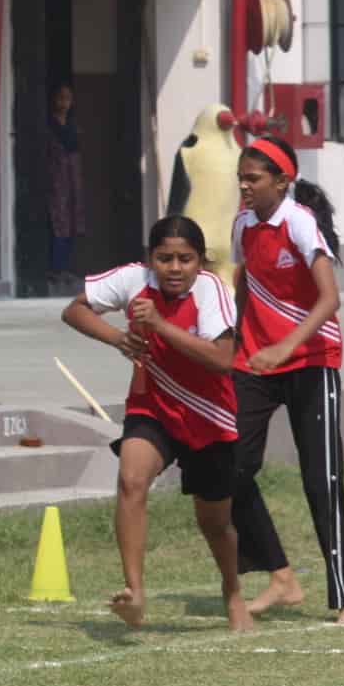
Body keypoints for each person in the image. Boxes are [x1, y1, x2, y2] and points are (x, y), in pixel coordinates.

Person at [62, 217, 251, 632]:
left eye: (185, 259)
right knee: (131, 480)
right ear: (151, 259)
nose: (175, 268)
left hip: (208, 416)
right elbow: (73, 310)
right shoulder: (133, 280)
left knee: (215, 522)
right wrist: (117, 338)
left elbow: (223, 359)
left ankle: (232, 590)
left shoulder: (212, 290)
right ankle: (135, 593)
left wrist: (160, 325)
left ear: (200, 261)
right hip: (153, 407)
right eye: (165, 258)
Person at [228, 136, 344, 625]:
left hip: (312, 360)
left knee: (321, 479)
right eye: (240, 178)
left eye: (253, 179)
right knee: (226, 467)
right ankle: (281, 576)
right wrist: (230, 342)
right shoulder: (242, 224)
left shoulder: (300, 222)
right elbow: (244, 284)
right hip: (255, 362)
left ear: (282, 181)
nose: (244, 187)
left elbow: (330, 299)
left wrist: (285, 346)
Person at [46, 83, 88, 296]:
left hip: (73, 178)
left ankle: (66, 267)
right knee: (59, 222)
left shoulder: (72, 125)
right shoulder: (50, 125)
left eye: (68, 98)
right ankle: (56, 268)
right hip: (57, 178)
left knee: (73, 221)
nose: (64, 103)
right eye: (60, 98)